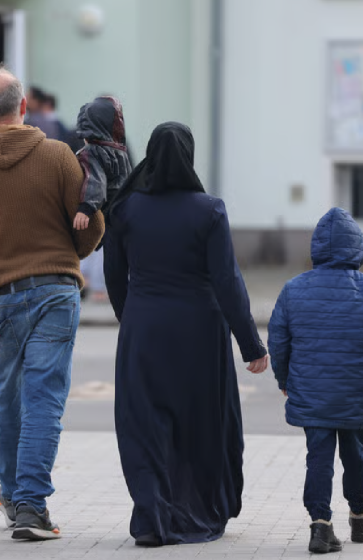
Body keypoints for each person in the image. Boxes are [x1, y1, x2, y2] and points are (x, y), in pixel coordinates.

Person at [0, 64, 104, 541]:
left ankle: (12, 497)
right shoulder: (57, 155)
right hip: (55, 289)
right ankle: (32, 506)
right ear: (23, 107)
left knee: (6, 398)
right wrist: (64, 252)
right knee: (44, 399)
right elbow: (90, 225)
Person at [103, 122, 268, 547]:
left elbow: (114, 277)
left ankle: (153, 514)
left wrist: (133, 319)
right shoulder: (209, 210)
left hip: (144, 326)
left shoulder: (125, 210)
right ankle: (199, 506)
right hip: (199, 329)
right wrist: (250, 343)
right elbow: (227, 281)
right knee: (199, 421)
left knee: (145, 422)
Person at [268, 207, 363, 554]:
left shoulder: (293, 289)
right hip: (354, 395)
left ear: (317, 247)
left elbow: (278, 343)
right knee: (355, 456)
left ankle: (320, 527)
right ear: (358, 247)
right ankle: (360, 516)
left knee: (317, 459)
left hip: (311, 394)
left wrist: (284, 379)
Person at [71, 96, 132, 231]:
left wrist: (85, 209)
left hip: (101, 217)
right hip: (122, 214)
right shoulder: (121, 151)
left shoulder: (91, 152)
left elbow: (96, 180)